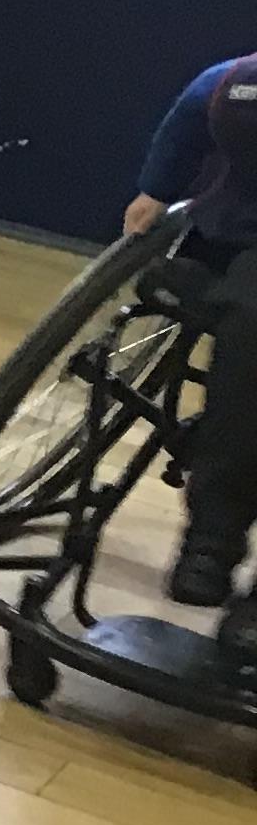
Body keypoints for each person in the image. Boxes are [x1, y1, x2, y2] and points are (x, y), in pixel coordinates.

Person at [127, 56, 257, 607]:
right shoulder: (241, 84)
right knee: (249, 341)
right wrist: (156, 190)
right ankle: (211, 544)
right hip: (245, 243)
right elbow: (195, 109)